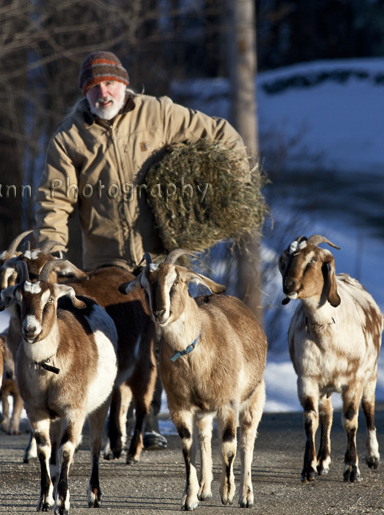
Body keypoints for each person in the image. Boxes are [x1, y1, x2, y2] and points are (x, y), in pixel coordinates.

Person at [34, 51, 250, 450]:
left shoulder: (158, 113)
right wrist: (52, 251)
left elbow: (218, 132)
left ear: (124, 83)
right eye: (94, 86)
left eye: (110, 83)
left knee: (168, 334)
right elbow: (53, 202)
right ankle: (113, 418)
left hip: (162, 255)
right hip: (106, 258)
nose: (104, 92)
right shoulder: (69, 138)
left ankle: (148, 418)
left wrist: (235, 178)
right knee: (112, 334)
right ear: (85, 92)